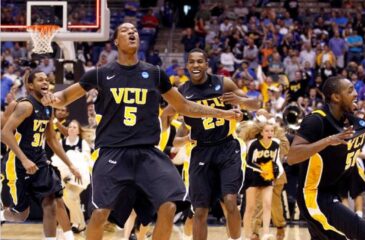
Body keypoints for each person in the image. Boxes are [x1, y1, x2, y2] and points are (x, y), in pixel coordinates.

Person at [40, 23, 242, 240]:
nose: (132, 32)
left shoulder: (154, 74)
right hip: (113, 152)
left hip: (147, 153)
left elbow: (184, 106)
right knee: (99, 214)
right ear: (116, 41)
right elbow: (65, 97)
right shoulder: (100, 74)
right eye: (125, 30)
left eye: (134, 30)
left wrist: (223, 114)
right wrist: (52, 98)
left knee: (170, 205)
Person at [161, 48, 259, 240]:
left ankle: (236, 239)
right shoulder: (182, 92)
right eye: (191, 62)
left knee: (230, 200)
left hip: (227, 147)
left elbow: (256, 104)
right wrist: (160, 134)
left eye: (200, 61)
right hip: (200, 150)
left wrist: (241, 100)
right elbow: (166, 114)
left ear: (207, 64)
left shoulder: (223, 83)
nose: (195, 65)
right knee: (199, 211)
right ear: (187, 65)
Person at [287, 76, 365, 240]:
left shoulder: (349, 121)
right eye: (350, 90)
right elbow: (292, 157)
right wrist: (328, 140)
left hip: (332, 194)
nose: (356, 94)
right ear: (336, 97)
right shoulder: (316, 120)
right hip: (315, 196)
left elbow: (350, 145)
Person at [1, 70, 82, 240]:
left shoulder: (48, 107)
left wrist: (70, 165)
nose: (45, 82)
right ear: (30, 86)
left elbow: (52, 139)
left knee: (50, 201)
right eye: (40, 80)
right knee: (21, 214)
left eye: (46, 79)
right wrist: (24, 160)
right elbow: (5, 133)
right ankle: (2, 215)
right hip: (17, 161)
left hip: (39, 159)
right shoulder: (25, 105)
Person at [243, 122, 281, 240]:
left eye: (271, 131)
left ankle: (265, 232)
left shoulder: (275, 145)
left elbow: (275, 161)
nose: (270, 133)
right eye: (267, 131)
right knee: (250, 207)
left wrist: (275, 172)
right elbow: (248, 162)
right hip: (252, 177)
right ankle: (247, 234)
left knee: (267, 204)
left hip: (267, 177)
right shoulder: (254, 144)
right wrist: (261, 169)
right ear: (261, 133)